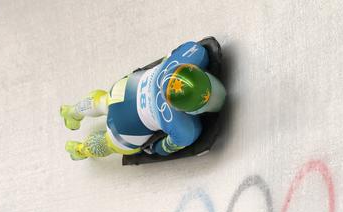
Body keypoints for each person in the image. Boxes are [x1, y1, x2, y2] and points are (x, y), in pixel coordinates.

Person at [60, 40, 226, 160]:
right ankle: (81, 149)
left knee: (103, 100)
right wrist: (155, 149)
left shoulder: (194, 51)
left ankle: (73, 111)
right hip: (127, 128)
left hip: (125, 88)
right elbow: (164, 148)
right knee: (111, 143)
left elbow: (176, 52)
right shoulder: (185, 130)